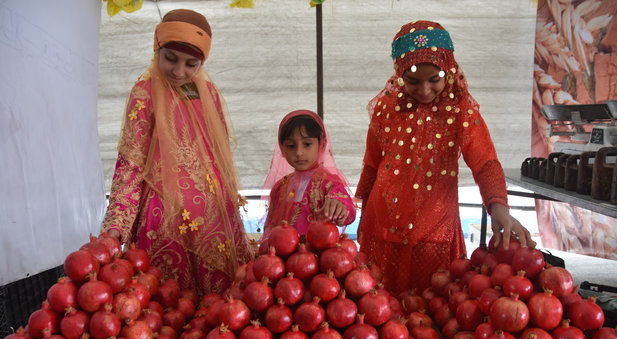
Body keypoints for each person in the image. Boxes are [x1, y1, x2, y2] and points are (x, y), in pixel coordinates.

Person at [355, 20, 534, 295]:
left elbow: (485, 163)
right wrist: (360, 212)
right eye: (412, 81)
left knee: (433, 312)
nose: (424, 90)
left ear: (449, 72)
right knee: (377, 310)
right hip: (382, 225)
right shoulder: (387, 107)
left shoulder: (460, 110)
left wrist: (498, 207)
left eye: (434, 80)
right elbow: (372, 163)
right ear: (399, 72)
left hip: (434, 231)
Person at [102, 9, 251, 295]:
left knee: (219, 310)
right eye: (170, 58)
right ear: (157, 48)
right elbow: (131, 163)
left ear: (202, 62)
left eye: (191, 63)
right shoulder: (144, 92)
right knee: (166, 308)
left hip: (213, 219)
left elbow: (220, 159)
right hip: (162, 221)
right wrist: (116, 226)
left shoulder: (210, 93)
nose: (179, 71)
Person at [261, 110, 356, 240]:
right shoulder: (280, 187)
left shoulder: (330, 183)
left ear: (321, 144)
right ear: (282, 148)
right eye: (291, 145)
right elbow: (270, 227)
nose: (299, 152)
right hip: (282, 258)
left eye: (307, 144)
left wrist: (339, 207)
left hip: (318, 257)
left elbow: (349, 213)